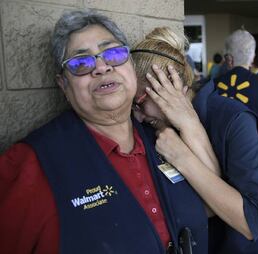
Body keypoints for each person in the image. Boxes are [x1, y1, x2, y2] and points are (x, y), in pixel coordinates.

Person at [0, 10, 208, 254]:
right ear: (63, 85)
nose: (101, 67)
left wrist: (189, 122)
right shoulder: (31, 165)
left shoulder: (164, 139)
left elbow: (213, 209)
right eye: (80, 63)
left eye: (113, 53)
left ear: (131, 65)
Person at [131, 27, 258, 254]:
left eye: (140, 102)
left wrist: (183, 155)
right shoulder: (152, 127)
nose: (137, 115)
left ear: (169, 86)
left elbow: (251, 222)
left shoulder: (235, 120)